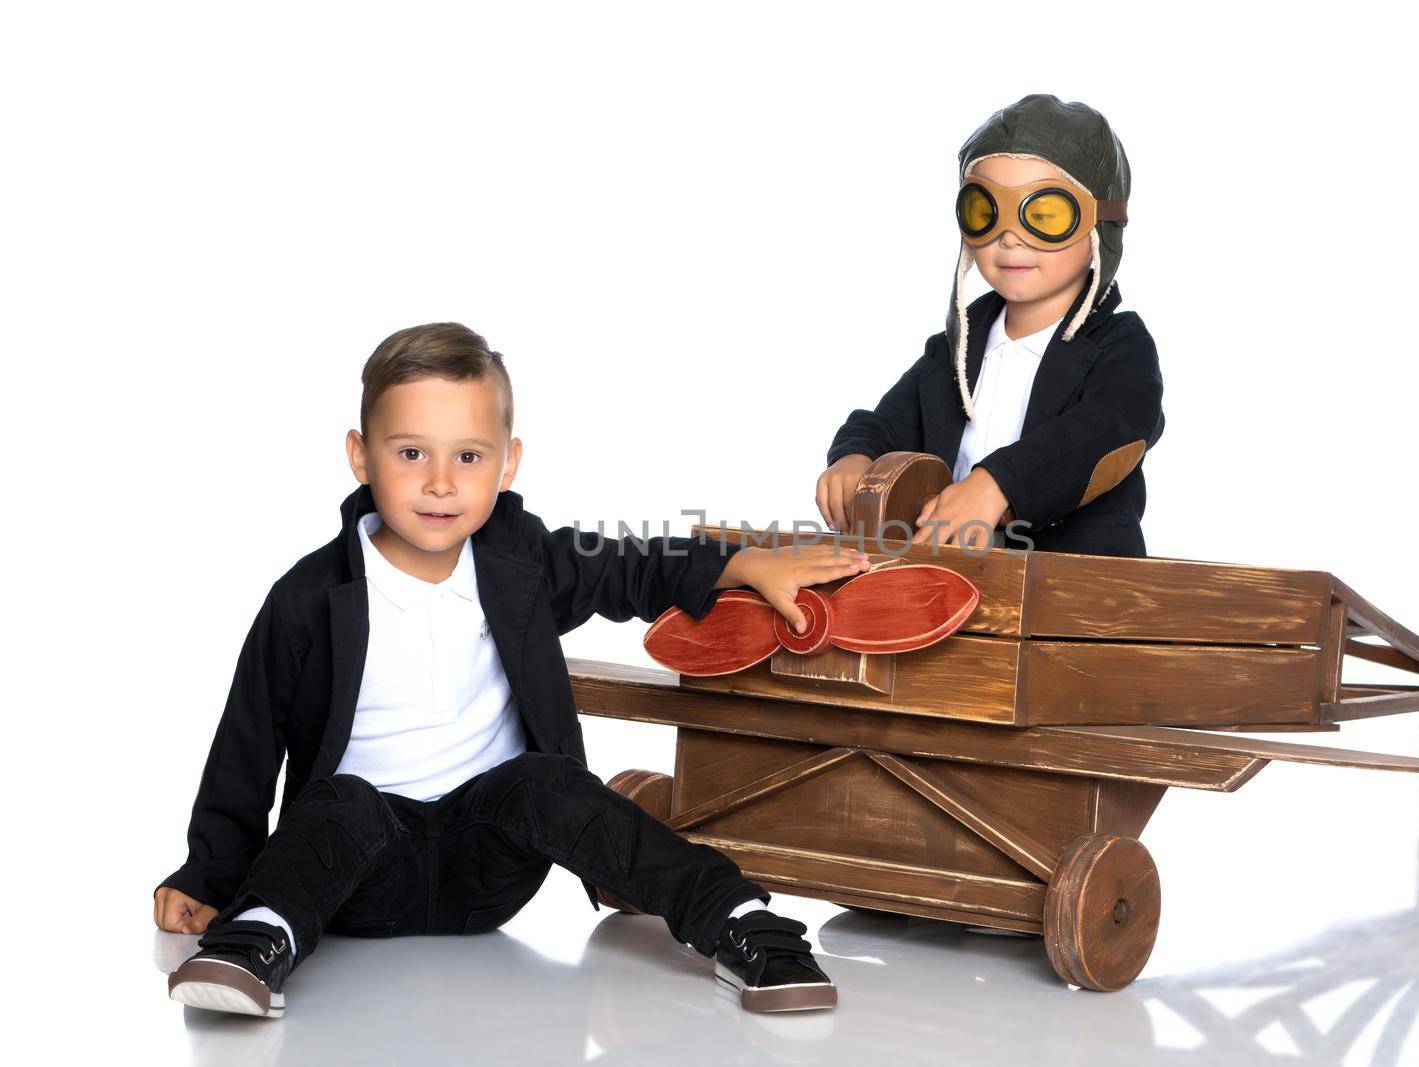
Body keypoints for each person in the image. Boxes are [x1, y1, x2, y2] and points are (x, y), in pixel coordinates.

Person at [158, 323, 856, 1016]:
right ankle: (256, 938)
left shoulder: (521, 563)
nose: (439, 482)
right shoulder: (308, 596)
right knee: (337, 802)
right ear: (361, 456)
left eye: (468, 456)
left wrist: (738, 563)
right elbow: (247, 743)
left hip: (488, 866)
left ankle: (741, 919)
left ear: (507, 464)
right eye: (410, 453)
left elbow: (630, 566)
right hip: (358, 876)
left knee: (547, 781)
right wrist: (209, 872)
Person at [817, 95, 1165, 556]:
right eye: (985, 211)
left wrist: (999, 484)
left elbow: (1107, 429)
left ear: (1100, 225)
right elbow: (888, 422)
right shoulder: (956, 350)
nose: (1009, 237)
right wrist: (854, 457)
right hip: (955, 579)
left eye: (1044, 215)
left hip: (1070, 585)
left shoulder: (1120, 347)